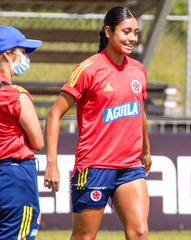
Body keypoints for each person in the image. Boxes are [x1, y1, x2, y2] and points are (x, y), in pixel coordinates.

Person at [44, 6, 152, 240]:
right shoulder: (88, 69)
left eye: (135, 32)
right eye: (126, 32)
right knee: (85, 237)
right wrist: (51, 163)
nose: (132, 38)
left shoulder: (139, 71)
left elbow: (139, 112)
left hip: (129, 166)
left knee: (140, 232)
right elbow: (54, 114)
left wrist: (146, 150)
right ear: (108, 31)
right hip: (94, 167)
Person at [0, 26, 43, 239]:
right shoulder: (15, 95)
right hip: (14, 176)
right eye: (22, 51)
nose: (24, 57)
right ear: (7, 54)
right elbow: (38, 141)